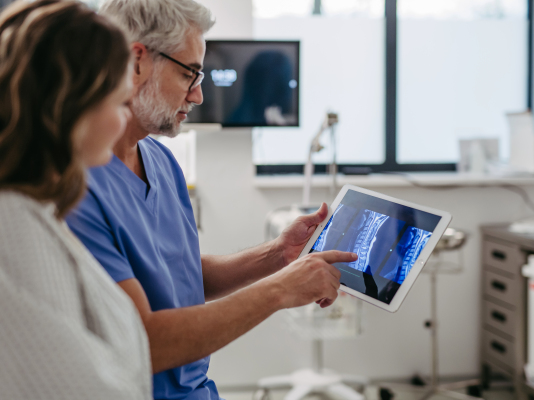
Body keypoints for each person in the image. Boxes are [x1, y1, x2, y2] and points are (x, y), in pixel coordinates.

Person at [65, 1, 357, 400]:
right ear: (137, 62)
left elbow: (179, 279)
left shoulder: (161, 161)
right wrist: (278, 290)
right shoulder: (74, 187)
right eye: (190, 73)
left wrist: (276, 255)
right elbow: (145, 342)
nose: (199, 95)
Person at [0, 1, 152, 399]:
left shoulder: (37, 210)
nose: (126, 118)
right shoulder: (12, 222)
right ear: (73, 103)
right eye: (120, 103)